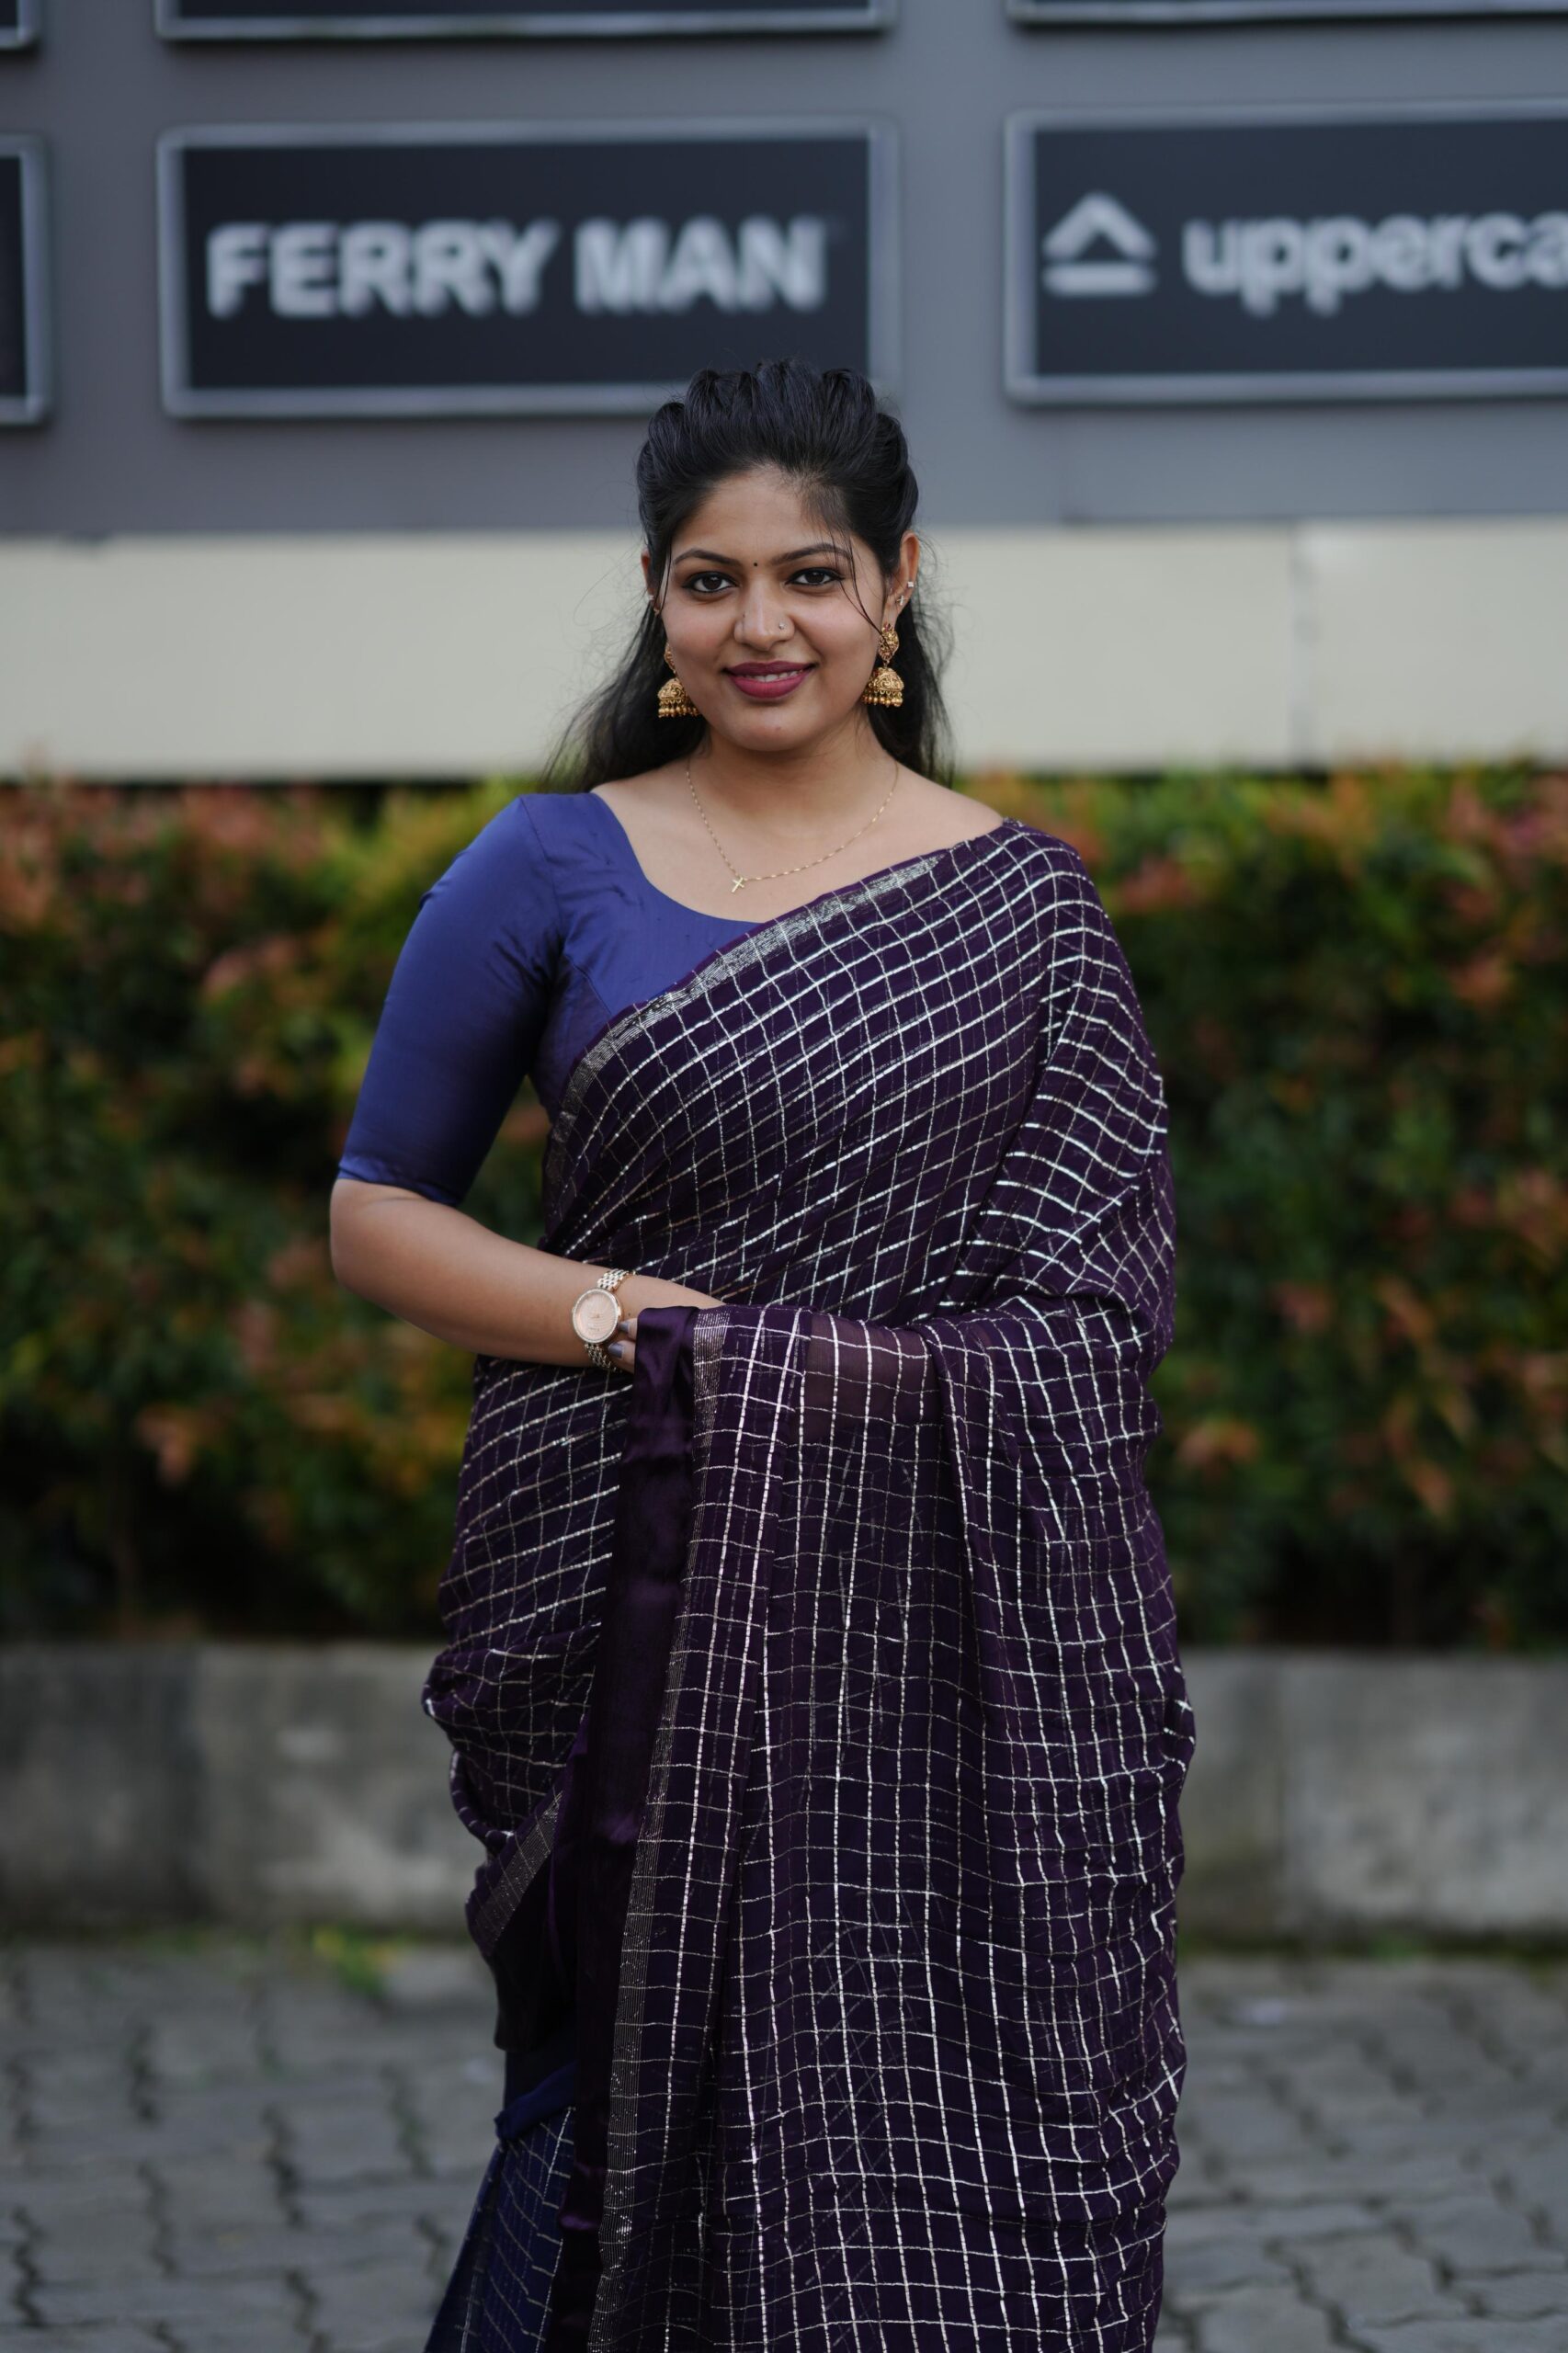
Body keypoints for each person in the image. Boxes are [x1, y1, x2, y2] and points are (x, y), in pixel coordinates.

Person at [329, 358, 1195, 2353]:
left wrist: (827, 1390)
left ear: (897, 585)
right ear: (658, 597)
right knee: (609, 2109)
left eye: (810, 575)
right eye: (709, 581)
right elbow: (379, 1206)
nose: (761, 626)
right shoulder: (550, 864)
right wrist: (637, 1323)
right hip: (636, 1593)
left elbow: (1092, 1318)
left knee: (931, 2136)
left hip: (950, 1650)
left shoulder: (1025, 914)